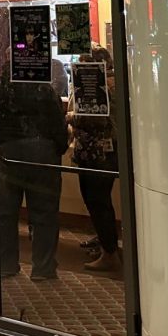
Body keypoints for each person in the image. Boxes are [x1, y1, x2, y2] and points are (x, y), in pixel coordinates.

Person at [0, 73, 68, 280]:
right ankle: (43, 268)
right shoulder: (42, 85)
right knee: (44, 212)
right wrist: (57, 148)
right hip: (42, 153)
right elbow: (57, 123)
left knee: (5, 213)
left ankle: (6, 264)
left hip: (7, 153)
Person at [68, 46, 121, 273]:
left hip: (95, 153)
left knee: (96, 200)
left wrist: (70, 116)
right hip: (110, 151)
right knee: (103, 201)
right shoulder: (117, 81)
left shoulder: (98, 86)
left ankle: (109, 253)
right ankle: (106, 241)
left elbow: (93, 118)